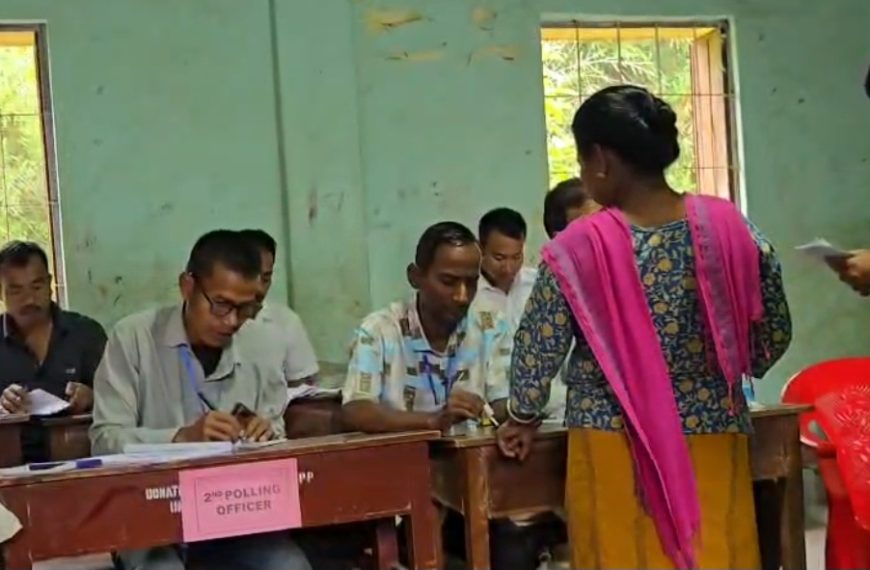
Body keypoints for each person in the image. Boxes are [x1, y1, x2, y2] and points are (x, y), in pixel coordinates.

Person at [497, 85, 792, 569]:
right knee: (714, 549)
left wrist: (522, 415)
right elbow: (772, 332)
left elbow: (538, 350)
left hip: (612, 441)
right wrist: (730, 371)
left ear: (601, 160)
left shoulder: (578, 248)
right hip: (714, 431)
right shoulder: (732, 227)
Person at [91, 230, 309, 570]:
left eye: (245, 307)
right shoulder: (133, 338)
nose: (232, 321)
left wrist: (267, 433)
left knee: (287, 565)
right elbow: (104, 441)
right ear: (187, 286)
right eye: (221, 305)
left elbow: (274, 425)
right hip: (150, 520)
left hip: (233, 516)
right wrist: (179, 438)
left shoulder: (260, 342)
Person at [342, 221, 510, 433]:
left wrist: (490, 410)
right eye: (448, 281)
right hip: (404, 460)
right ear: (415, 277)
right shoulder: (379, 330)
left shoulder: (491, 327)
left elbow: (504, 400)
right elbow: (356, 409)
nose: (462, 295)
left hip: (471, 459)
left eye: (471, 282)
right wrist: (431, 421)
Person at [0, 241, 106, 461]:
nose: (29, 299)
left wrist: (92, 397)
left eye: (37, 287)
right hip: (9, 467)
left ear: (50, 284)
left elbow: (123, 403)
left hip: (80, 461)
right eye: (16, 290)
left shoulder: (86, 334)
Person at [239, 229, 320, 385]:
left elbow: (303, 388)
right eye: (250, 276)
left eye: (266, 278)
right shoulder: (213, 323)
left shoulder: (286, 321)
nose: (259, 289)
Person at [474, 208, 537, 328]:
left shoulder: (536, 285)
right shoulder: (468, 294)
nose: (508, 269)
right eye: (499, 258)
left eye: (516, 257)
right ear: (480, 249)